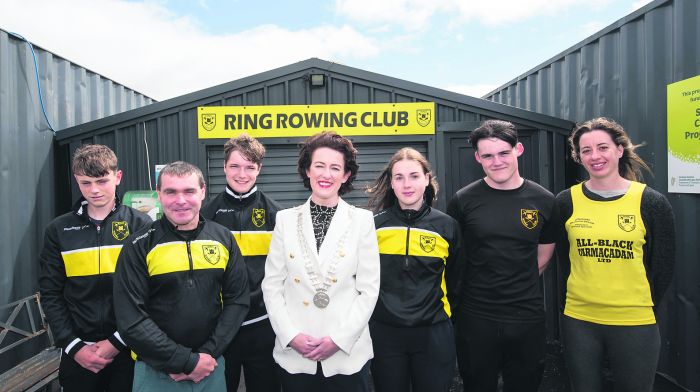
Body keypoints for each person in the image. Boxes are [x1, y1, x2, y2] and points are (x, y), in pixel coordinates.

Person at [555, 117, 675, 392]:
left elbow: (663, 266)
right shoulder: (565, 201)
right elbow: (566, 259)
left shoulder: (651, 202)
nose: (595, 156)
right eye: (586, 150)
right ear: (578, 157)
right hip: (579, 320)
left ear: (620, 150)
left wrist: (637, 302)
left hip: (635, 322)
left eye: (602, 147)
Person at [113, 161, 250, 391]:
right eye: (170, 192)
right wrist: (184, 361)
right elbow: (131, 319)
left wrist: (205, 356)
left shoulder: (223, 238)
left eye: (189, 191)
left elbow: (238, 300)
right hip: (155, 373)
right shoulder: (138, 245)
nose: (181, 200)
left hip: (211, 368)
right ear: (159, 194)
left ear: (203, 192)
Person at [261, 131, 380, 392]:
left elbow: (368, 290)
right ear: (307, 170)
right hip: (296, 356)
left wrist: (339, 339)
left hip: (346, 355)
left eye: (335, 167)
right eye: (319, 166)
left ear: (346, 175)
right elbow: (272, 286)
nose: (326, 174)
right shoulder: (285, 220)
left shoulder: (362, 221)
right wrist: (291, 337)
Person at [446, 120, 557, 392]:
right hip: (476, 317)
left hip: (526, 317)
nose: (496, 161)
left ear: (518, 149)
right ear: (477, 158)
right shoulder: (463, 201)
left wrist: (516, 283)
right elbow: (455, 257)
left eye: (503, 153)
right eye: (488, 155)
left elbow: (543, 255)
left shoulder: (544, 200)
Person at [38, 144, 151, 391]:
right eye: (86, 183)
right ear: (77, 180)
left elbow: (149, 291)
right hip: (78, 353)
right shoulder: (58, 230)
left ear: (118, 176)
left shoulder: (141, 224)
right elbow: (50, 294)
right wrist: (73, 346)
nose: (95, 190)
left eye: (102, 180)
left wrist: (116, 341)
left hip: (128, 348)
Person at [366, 147, 461, 392]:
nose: (407, 184)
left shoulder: (447, 226)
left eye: (414, 176)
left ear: (427, 179)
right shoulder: (372, 227)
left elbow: (457, 282)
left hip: (433, 333)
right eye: (399, 177)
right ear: (391, 183)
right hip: (385, 333)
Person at [201, 134, 283, 392]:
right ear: (224, 167)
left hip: (263, 326)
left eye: (249, 167)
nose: (241, 174)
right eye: (234, 166)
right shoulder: (206, 216)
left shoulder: (277, 215)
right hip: (220, 329)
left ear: (259, 168)